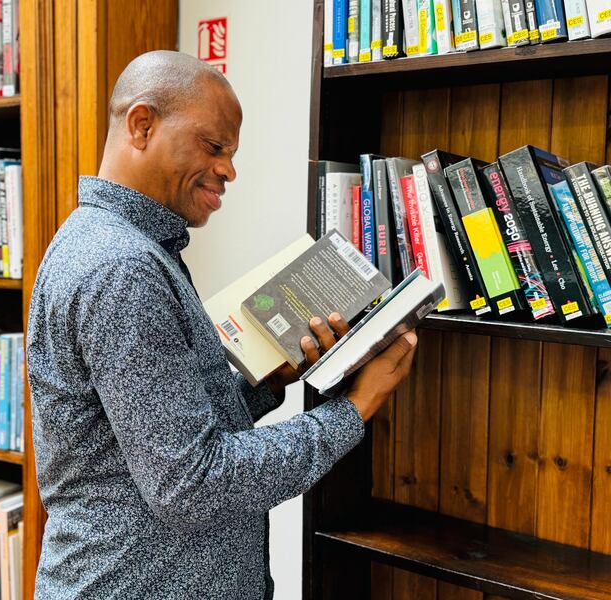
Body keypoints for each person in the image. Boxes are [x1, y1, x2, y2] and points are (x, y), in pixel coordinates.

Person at [26, 50, 417, 599]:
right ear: (142, 125)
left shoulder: (126, 248)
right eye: (214, 147)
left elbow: (157, 428)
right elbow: (193, 484)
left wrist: (267, 381)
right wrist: (357, 408)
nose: (229, 170)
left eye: (231, 153)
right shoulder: (122, 268)